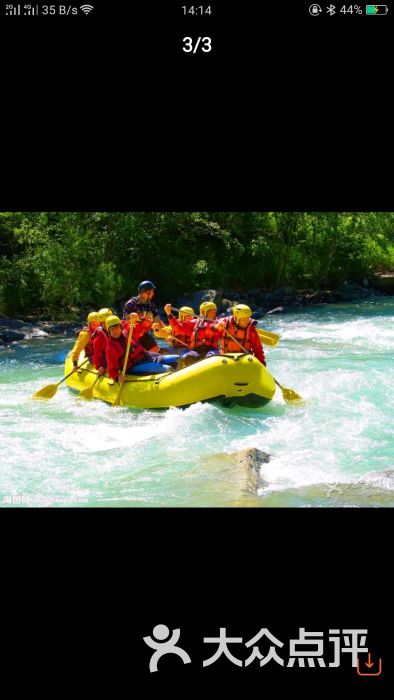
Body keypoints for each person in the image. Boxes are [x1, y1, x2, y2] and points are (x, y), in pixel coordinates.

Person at [105, 315, 179, 382]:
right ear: (109, 332)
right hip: (132, 366)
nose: (115, 331)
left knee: (178, 359)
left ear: (120, 327)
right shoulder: (111, 347)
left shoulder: (129, 332)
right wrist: (117, 377)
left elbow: (147, 325)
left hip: (145, 357)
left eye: (117, 327)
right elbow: (112, 369)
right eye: (112, 329)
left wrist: (139, 319)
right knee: (167, 369)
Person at [123, 281, 163, 350]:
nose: (153, 294)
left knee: (155, 349)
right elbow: (126, 319)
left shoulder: (151, 306)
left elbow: (158, 321)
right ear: (146, 292)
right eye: (152, 291)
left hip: (143, 334)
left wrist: (158, 326)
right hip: (131, 334)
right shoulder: (131, 304)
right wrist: (141, 320)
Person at [92, 307, 112, 374]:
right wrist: (100, 366)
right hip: (105, 360)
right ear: (100, 323)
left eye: (107, 322)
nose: (105, 325)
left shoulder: (117, 328)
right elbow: (97, 353)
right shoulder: (100, 336)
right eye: (103, 323)